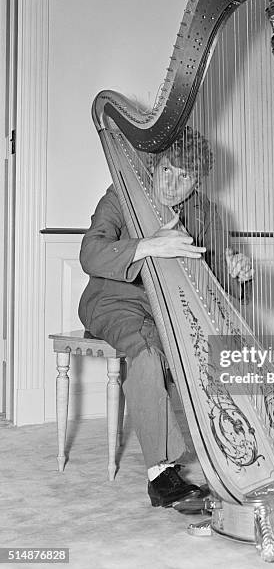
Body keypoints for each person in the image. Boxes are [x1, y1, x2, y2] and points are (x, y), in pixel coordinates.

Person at [78, 127, 253, 509]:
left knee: (224, 350)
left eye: (185, 177)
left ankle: (238, 448)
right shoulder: (120, 196)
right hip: (114, 301)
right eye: (168, 171)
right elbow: (90, 253)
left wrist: (237, 274)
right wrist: (149, 244)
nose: (173, 185)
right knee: (147, 353)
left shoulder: (204, 212)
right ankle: (161, 474)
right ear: (155, 166)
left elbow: (218, 282)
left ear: (197, 182)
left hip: (170, 308)